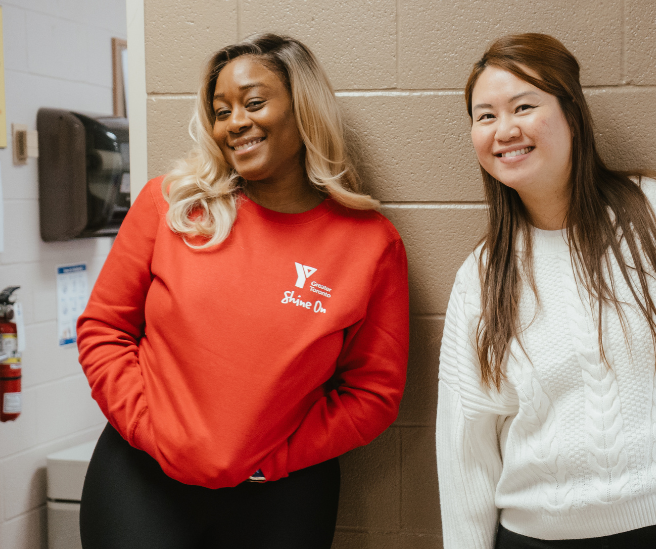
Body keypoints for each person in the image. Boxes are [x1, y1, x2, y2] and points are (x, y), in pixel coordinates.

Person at [436, 33, 656, 549]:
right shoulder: (483, 274)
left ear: (573, 116)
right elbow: (466, 445)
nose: (505, 129)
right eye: (485, 116)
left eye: (524, 106)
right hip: (541, 535)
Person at [76, 33, 409, 549]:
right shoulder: (172, 207)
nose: (235, 123)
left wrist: (276, 457)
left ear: (304, 111)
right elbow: (104, 328)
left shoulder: (369, 244)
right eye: (221, 110)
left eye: (254, 103)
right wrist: (150, 429)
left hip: (281, 495)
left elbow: (373, 395)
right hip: (142, 482)